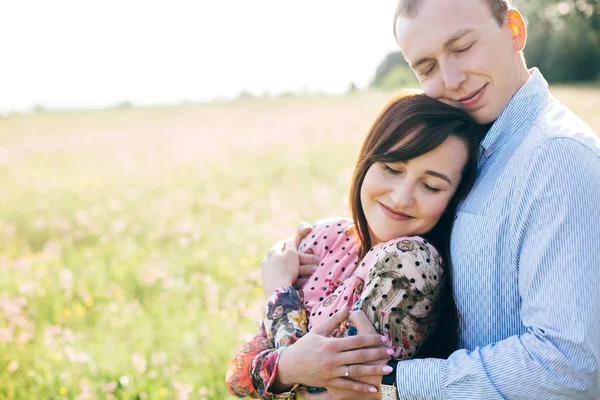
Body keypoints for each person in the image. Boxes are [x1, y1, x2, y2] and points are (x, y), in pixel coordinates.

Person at [267, 0, 600, 399]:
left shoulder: (556, 157)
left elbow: (567, 364)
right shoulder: (478, 144)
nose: (453, 78)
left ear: (513, 30)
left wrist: (390, 382)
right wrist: (320, 246)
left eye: (462, 48)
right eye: (426, 67)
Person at [225, 92, 486, 399]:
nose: (401, 197)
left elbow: (322, 396)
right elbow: (238, 377)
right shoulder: (327, 238)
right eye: (392, 168)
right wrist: (288, 366)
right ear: (368, 159)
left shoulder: (411, 264)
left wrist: (280, 293)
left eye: (431, 186)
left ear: (453, 198)